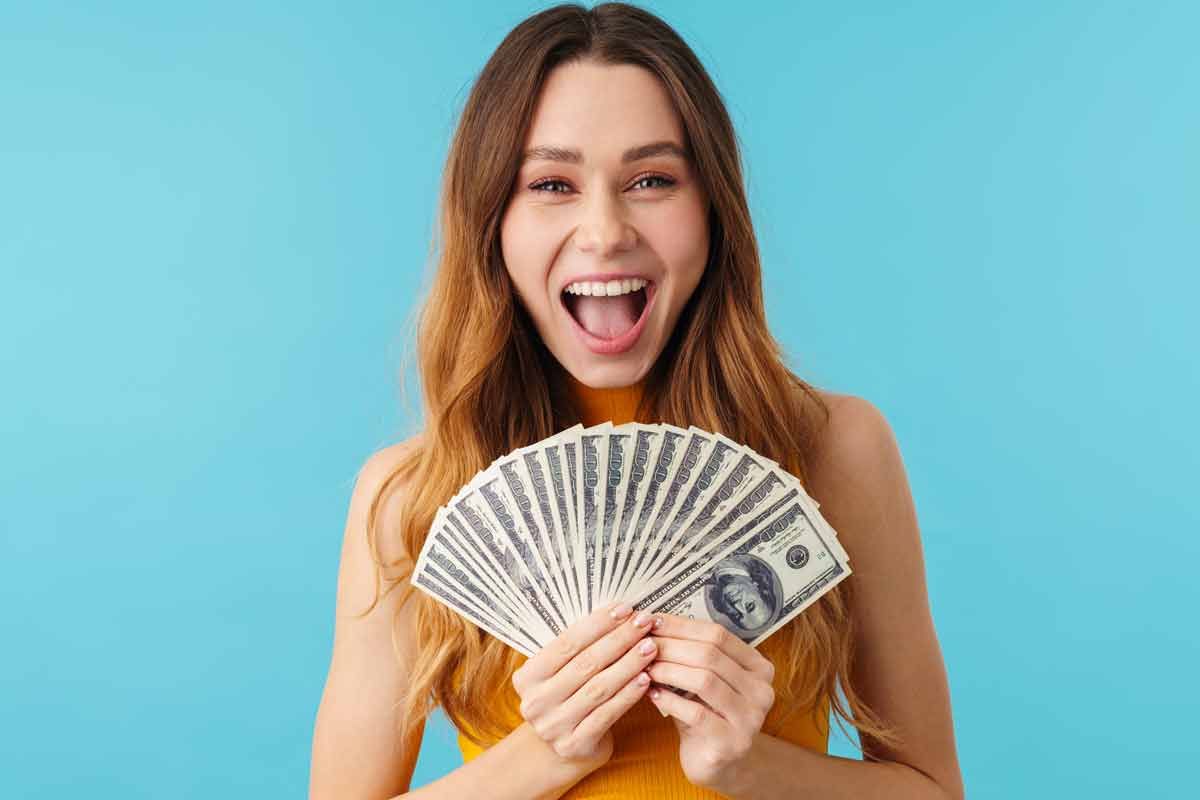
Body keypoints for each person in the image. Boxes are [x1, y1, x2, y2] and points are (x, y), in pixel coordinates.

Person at [308, 3, 964, 799]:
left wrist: (750, 766)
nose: (604, 230)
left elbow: (933, 790)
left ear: (712, 209)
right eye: (550, 183)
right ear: (493, 222)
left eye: (652, 179)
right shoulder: (409, 498)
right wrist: (541, 756)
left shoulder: (834, 448)